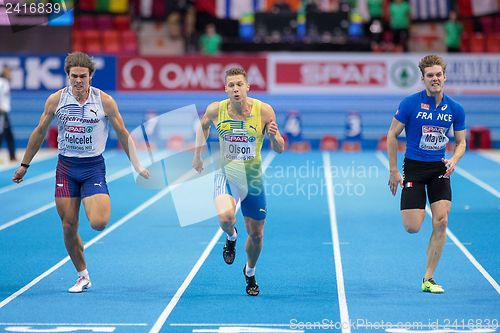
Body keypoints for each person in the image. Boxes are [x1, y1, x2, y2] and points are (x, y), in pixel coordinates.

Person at [12, 52, 149, 293]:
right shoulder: (56, 100)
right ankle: (82, 275)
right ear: (67, 76)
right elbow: (39, 131)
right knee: (68, 225)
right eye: (73, 76)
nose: (78, 81)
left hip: (93, 168)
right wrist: (25, 165)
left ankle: (82, 229)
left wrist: (137, 165)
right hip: (66, 168)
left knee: (98, 222)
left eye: (82, 76)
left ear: (91, 76)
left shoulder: (104, 101)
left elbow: (123, 133)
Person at [192, 66, 285, 296]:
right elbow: (202, 126)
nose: (235, 89)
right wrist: (197, 154)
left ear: (247, 87)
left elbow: (280, 148)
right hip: (226, 174)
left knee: (256, 234)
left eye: (239, 84)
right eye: (231, 85)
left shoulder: (264, 111)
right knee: (226, 218)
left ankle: (250, 272)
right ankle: (231, 237)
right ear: (225, 89)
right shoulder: (215, 110)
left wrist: (274, 136)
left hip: (252, 178)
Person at [386, 54, 466, 293]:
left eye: (438, 75)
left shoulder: (455, 108)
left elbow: (461, 142)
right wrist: (393, 170)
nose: (435, 79)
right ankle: (418, 207)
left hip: (439, 168)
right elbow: (392, 135)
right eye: (430, 75)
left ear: (445, 76)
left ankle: (428, 278)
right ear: (423, 79)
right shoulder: (410, 104)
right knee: (412, 227)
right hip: (414, 168)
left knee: (441, 221)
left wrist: (454, 159)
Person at [0, 66, 17, 161]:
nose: (10, 74)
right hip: (1, 113)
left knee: (8, 135)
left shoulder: (5, 83)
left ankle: (12, 156)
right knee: (2, 134)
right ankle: (12, 156)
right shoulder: (1, 83)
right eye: (9, 72)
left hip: (4, 112)